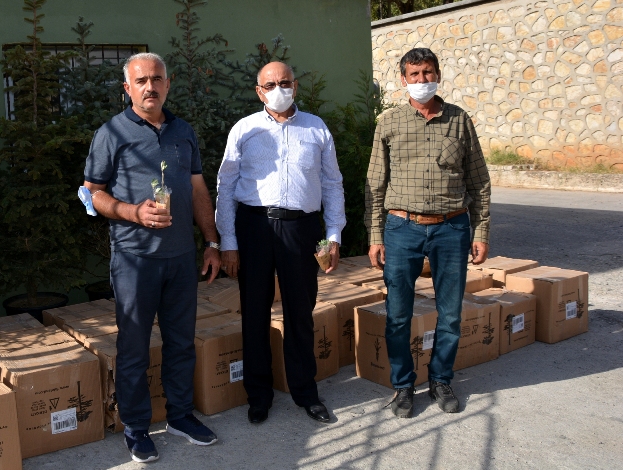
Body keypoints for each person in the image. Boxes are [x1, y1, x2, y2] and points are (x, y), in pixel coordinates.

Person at [82, 52, 221, 463]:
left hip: (181, 258)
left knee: (181, 343)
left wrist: (211, 242)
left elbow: (198, 190)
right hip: (134, 259)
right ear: (128, 88)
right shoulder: (111, 132)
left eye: (157, 79)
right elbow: (92, 192)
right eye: (141, 81)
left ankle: (180, 416)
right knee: (134, 348)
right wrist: (133, 212)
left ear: (167, 84)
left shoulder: (183, 131)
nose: (150, 87)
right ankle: (137, 427)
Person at [215, 61, 345, 426]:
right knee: (254, 312)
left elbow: (332, 183)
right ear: (259, 91)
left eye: (284, 82)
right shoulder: (245, 129)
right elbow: (226, 186)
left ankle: (305, 391)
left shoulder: (316, 128)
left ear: (295, 85)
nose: (278, 89)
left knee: (300, 312)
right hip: (254, 227)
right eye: (270, 85)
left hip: (303, 229)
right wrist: (228, 241)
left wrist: (333, 235)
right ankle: (259, 395)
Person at [365, 47, 491, 419]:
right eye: (415, 74)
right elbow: (375, 184)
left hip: (451, 228)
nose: (422, 80)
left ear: (437, 74)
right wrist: (375, 236)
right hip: (401, 228)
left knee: (450, 313)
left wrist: (481, 231)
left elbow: (479, 182)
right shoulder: (389, 122)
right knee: (398, 314)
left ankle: (441, 380)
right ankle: (403, 386)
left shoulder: (459, 120)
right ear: (403, 79)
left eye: (428, 72)